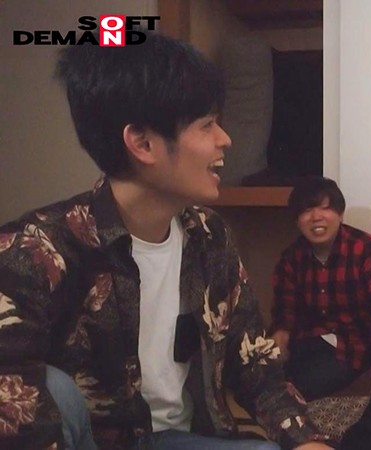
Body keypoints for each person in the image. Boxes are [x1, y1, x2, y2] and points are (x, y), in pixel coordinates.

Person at [0, 30, 332, 450]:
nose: (225, 139)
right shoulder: (35, 252)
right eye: (207, 125)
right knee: (57, 389)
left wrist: (305, 441)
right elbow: (18, 414)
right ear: (143, 143)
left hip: (179, 439)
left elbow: (255, 367)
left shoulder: (210, 236)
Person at [270, 177, 371, 401]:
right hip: (308, 347)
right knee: (261, 383)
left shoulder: (367, 250)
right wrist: (272, 358)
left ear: (340, 214)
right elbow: (285, 317)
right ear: (297, 220)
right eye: (306, 211)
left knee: (305, 384)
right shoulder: (291, 258)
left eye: (325, 208)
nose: (316, 217)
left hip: (353, 350)